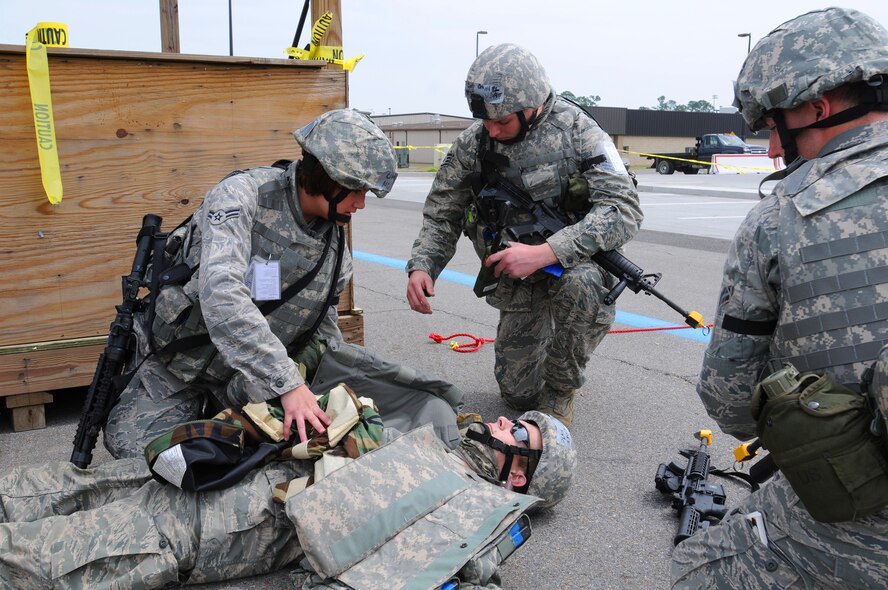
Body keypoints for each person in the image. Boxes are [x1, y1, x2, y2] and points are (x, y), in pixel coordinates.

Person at [673, 8, 888, 588]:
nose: (772, 149)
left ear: (818, 108)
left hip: (859, 519)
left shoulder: (781, 219)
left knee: (698, 565)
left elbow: (730, 403)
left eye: (774, 126)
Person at [0, 382, 576, 589]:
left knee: (35, 559)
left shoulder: (471, 510)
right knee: (45, 488)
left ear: (519, 472)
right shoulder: (441, 442)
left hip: (211, 527)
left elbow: (457, 572)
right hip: (225, 463)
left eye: (515, 430)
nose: (500, 421)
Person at [104, 109, 398, 459]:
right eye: (357, 190)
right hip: (180, 365)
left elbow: (325, 332)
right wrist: (287, 383)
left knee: (296, 452)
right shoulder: (242, 197)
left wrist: (332, 393)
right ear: (327, 175)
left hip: (248, 379)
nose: (361, 203)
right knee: (137, 450)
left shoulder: (335, 255)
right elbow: (221, 292)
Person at [405, 44, 642, 426]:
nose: (492, 130)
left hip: (574, 270)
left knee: (581, 286)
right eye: (486, 121)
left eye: (502, 122)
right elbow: (442, 214)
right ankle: (550, 355)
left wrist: (548, 251)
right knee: (517, 395)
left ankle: (562, 388)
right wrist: (423, 266)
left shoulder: (580, 132)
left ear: (531, 107)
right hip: (517, 282)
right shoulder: (475, 142)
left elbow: (623, 210)